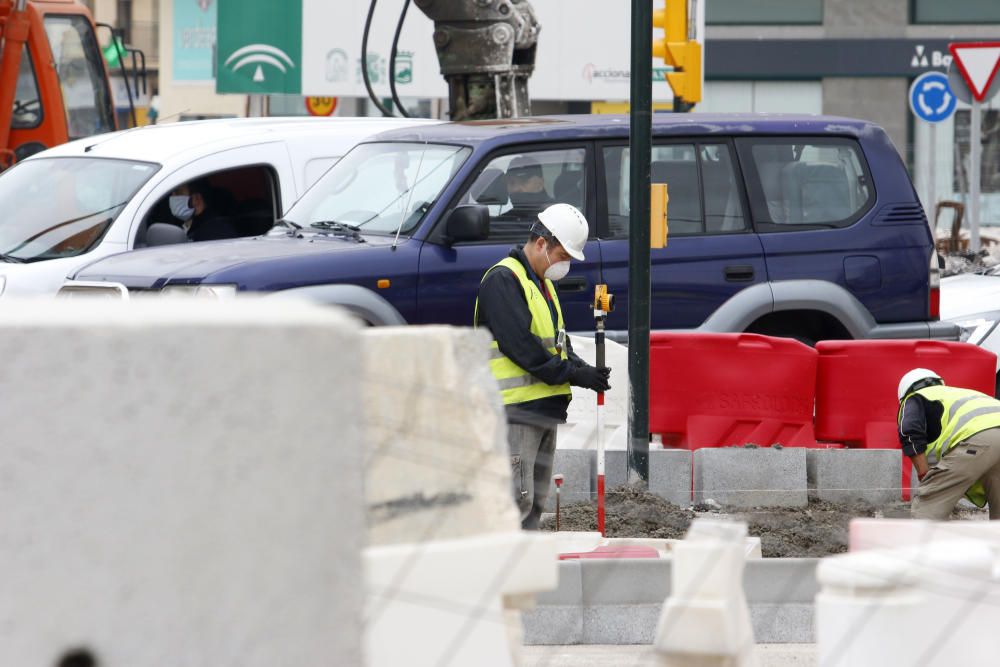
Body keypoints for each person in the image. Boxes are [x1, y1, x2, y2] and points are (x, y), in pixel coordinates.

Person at [474, 203, 611, 529]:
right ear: (540, 244)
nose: (564, 264)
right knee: (514, 501)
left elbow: (555, 344)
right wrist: (574, 375)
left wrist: (583, 369)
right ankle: (507, 570)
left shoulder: (542, 285)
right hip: (514, 413)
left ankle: (528, 570)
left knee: (534, 503)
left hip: (541, 410)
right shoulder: (503, 280)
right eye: (562, 255)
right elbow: (522, 347)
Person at [897, 368, 1000, 519]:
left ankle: (922, 541)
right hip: (988, 442)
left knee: (928, 506)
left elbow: (910, 432)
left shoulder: (914, 398)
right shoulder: (964, 394)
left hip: (980, 440)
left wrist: (924, 474)